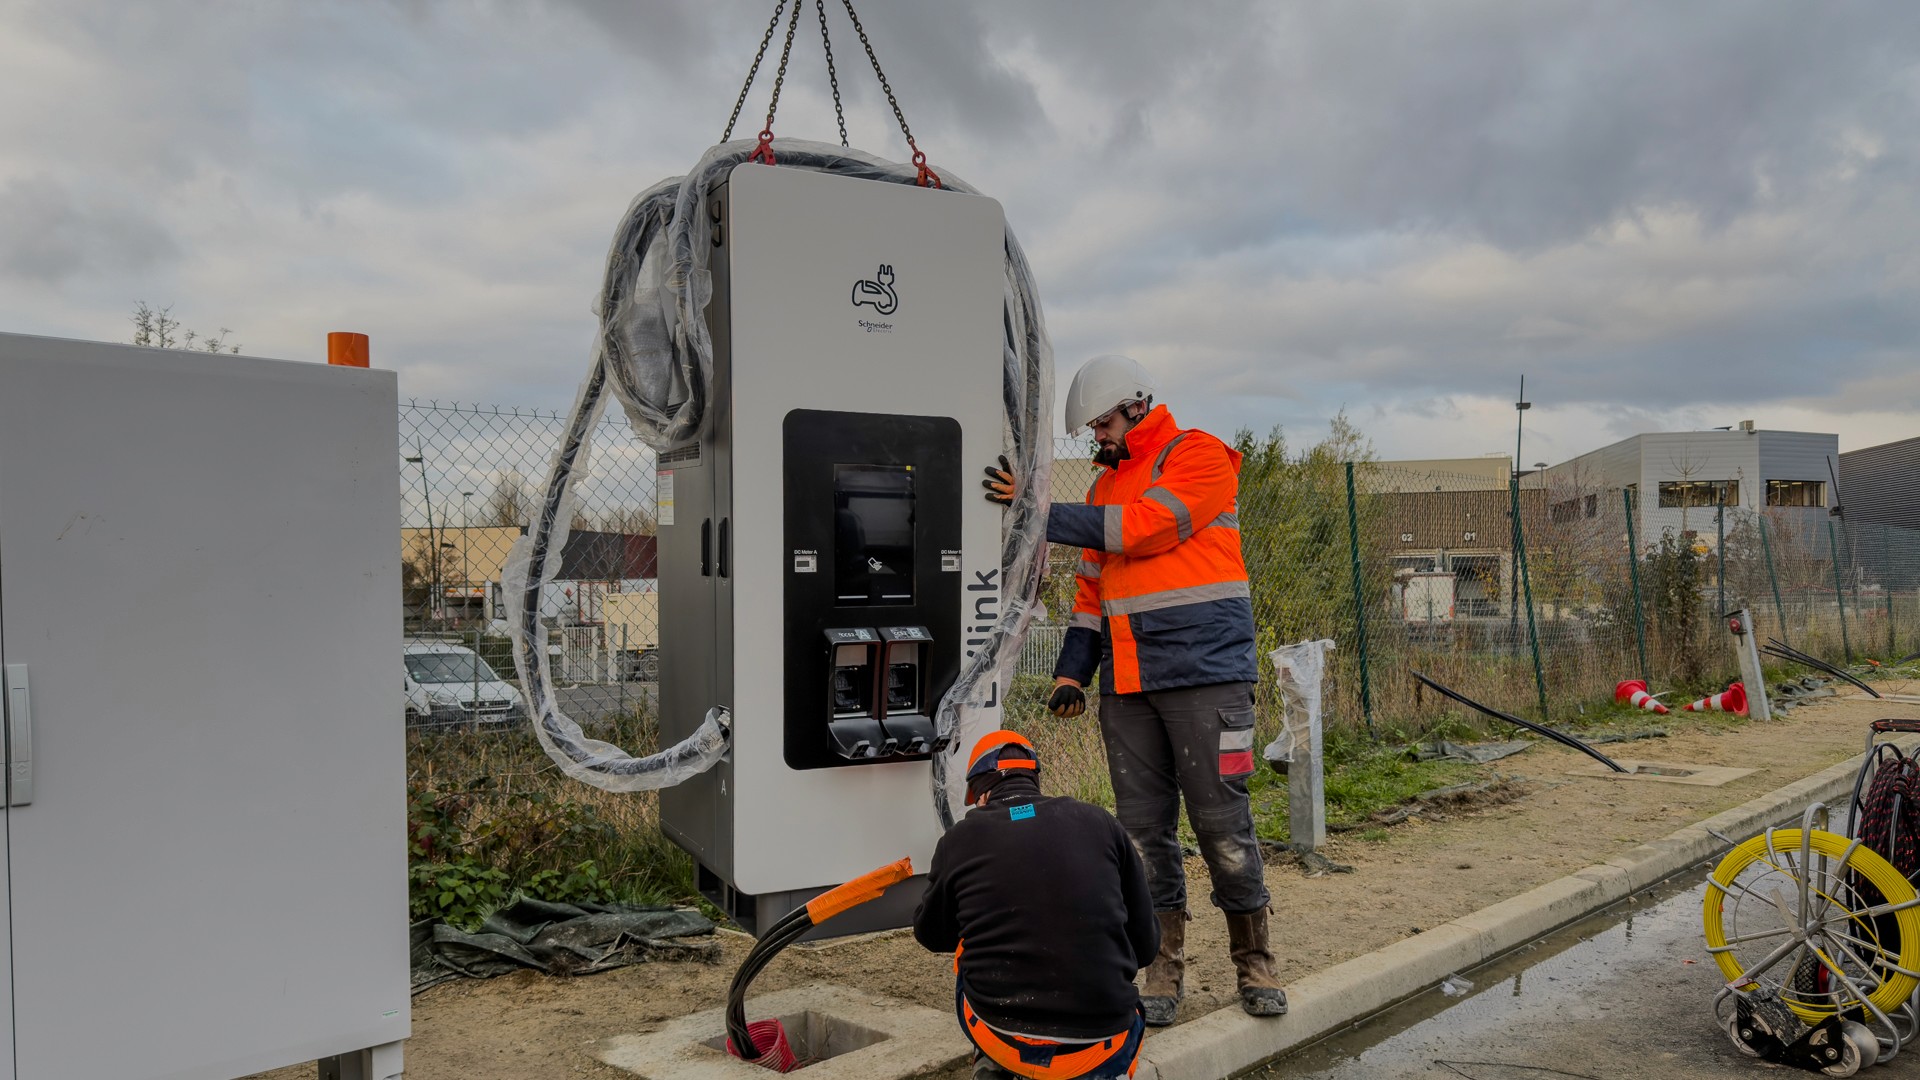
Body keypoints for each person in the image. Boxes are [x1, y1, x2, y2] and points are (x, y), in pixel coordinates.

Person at [983, 354, 1286, 1025]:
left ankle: (1253, 960)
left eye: (1103, 423)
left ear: (1138, 405)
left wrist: (1035, 509)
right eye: (1093, 427)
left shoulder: (1198, 456)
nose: (1098, 437)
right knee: (1143, 834)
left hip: (1208, 675)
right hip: (1130, 682)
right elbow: (1092, 591)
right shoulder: (1100, 490)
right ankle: (1161, 966)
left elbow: (1145, 529)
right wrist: (1071, 671)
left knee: (1221, 823)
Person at [913, 731, 1158, 1080]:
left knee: (966, 947)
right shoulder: (1100, 822)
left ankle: (994, 1063)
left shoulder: (960, 839)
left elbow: (932, 936)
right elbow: (1146, 948)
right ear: (1034, 780)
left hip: (1002, 1033)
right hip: (1101, 1043)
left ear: (981, 793)